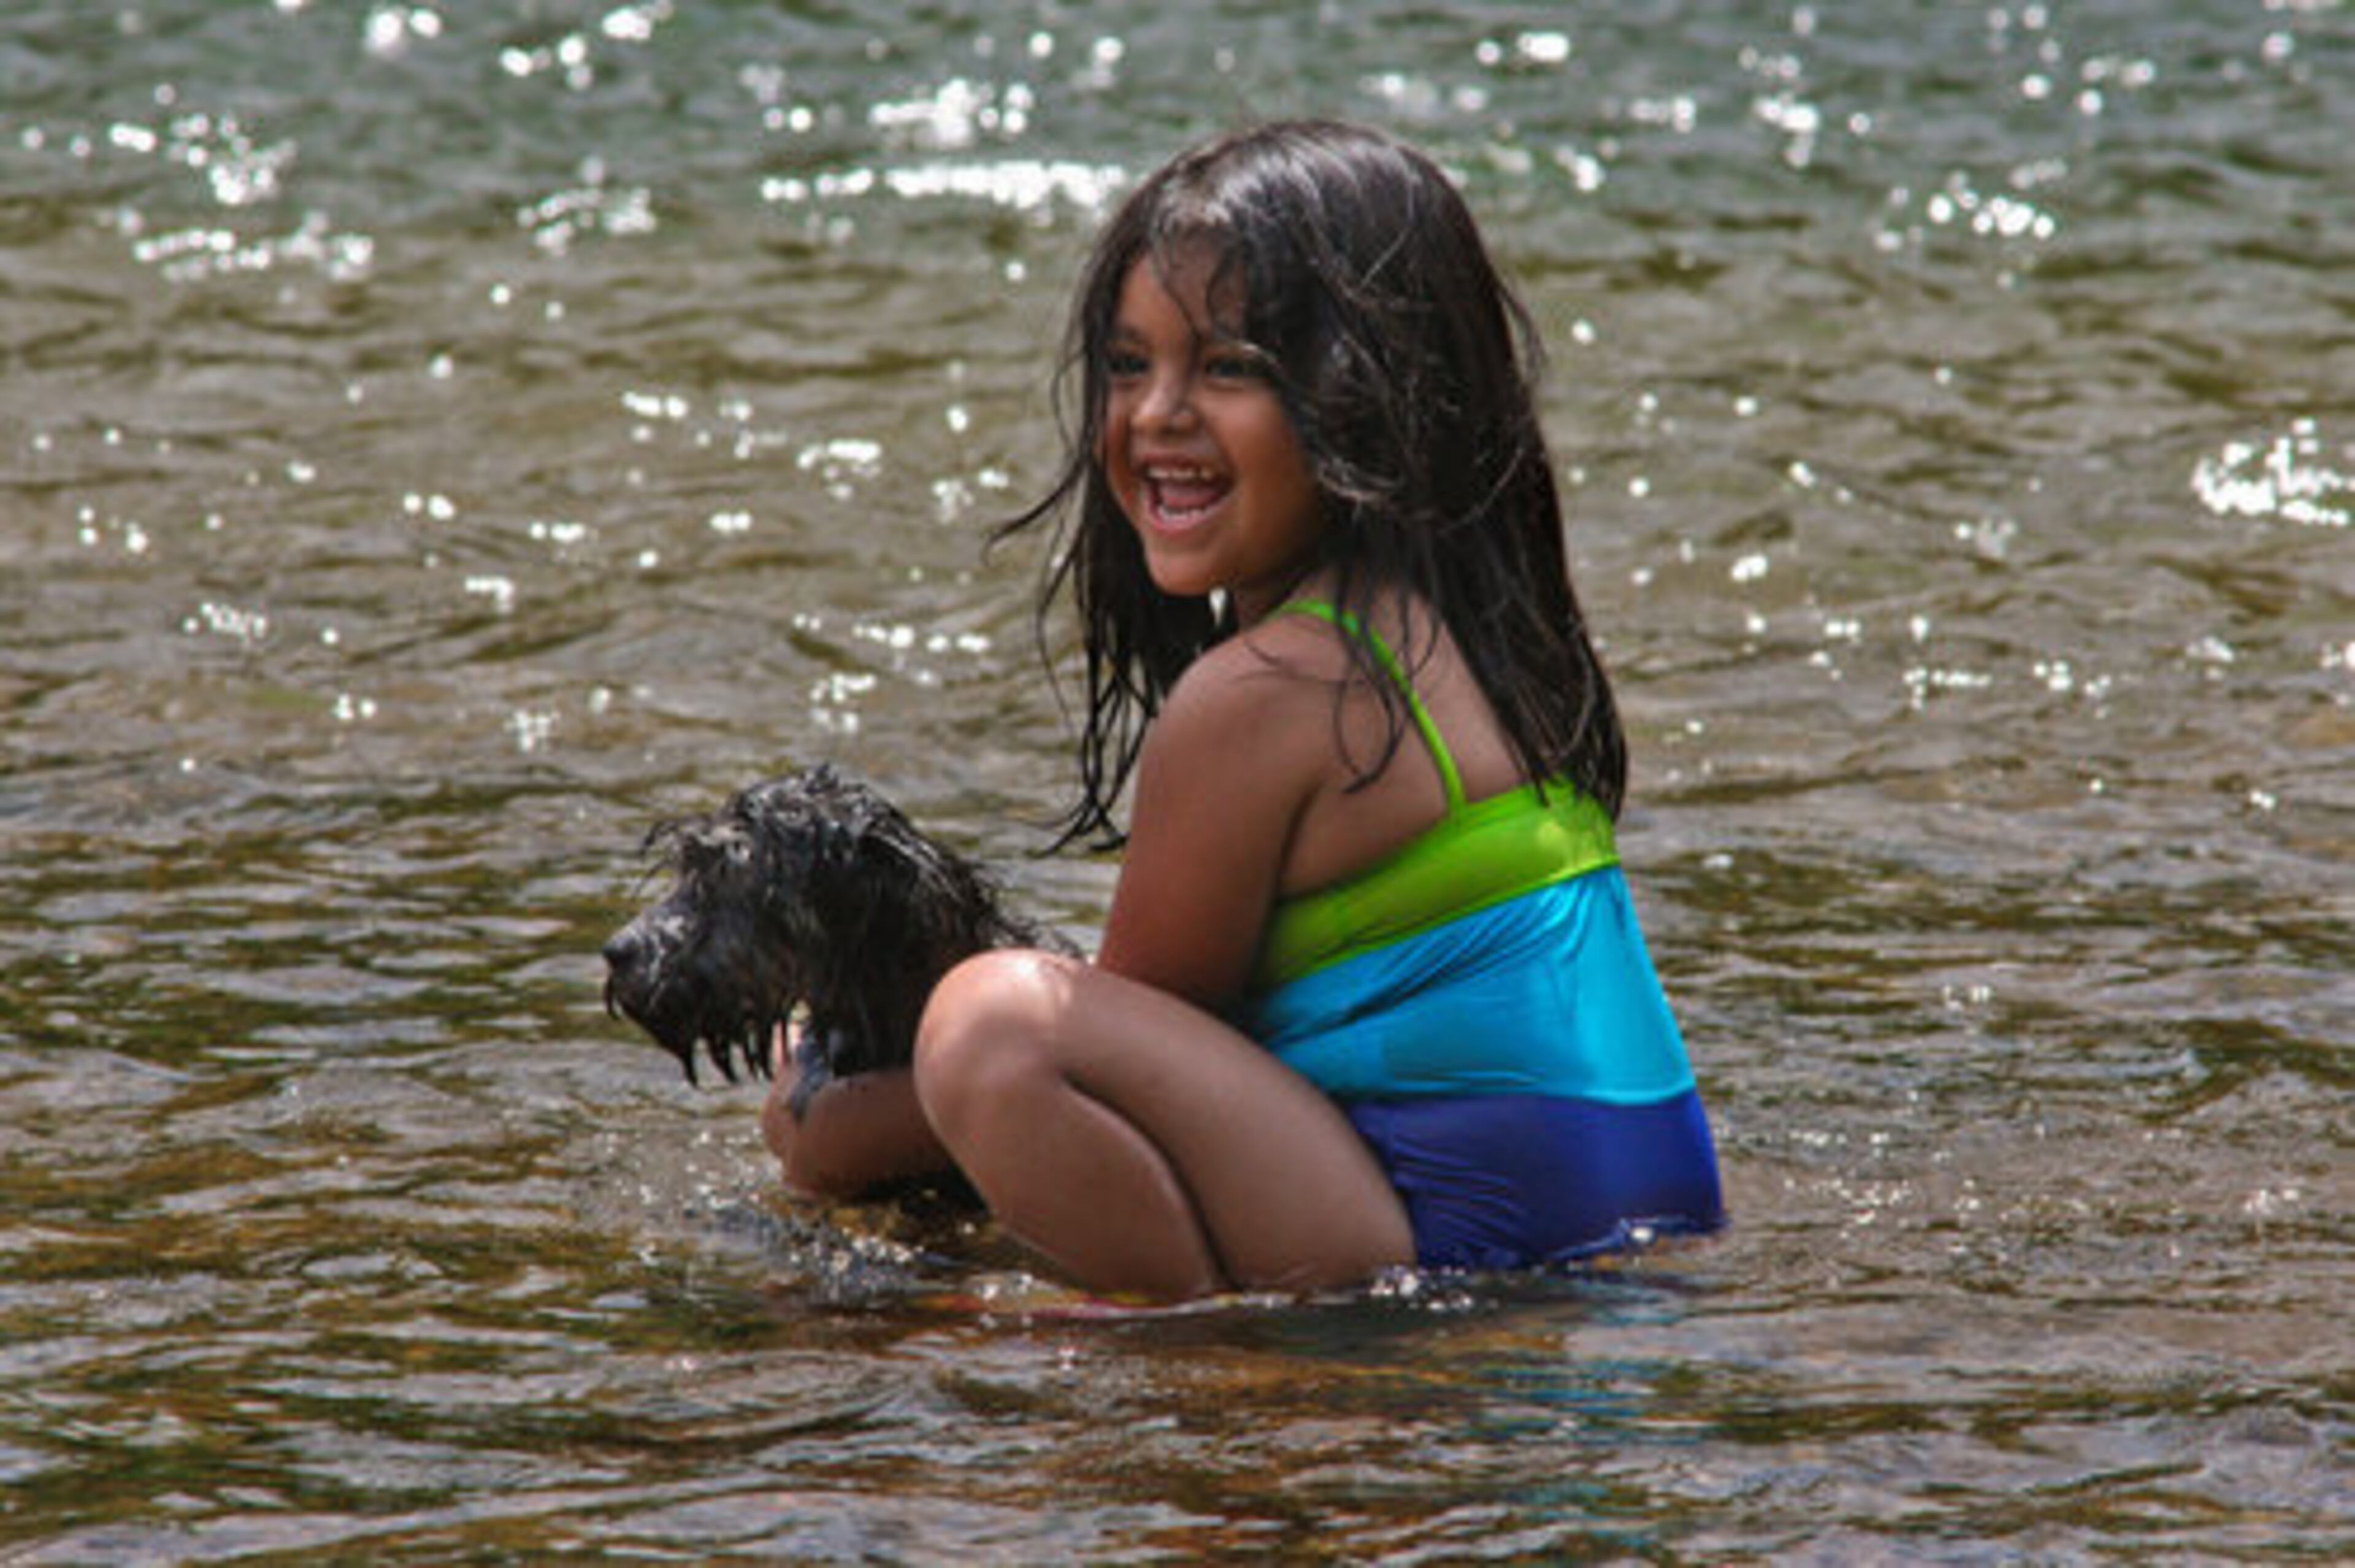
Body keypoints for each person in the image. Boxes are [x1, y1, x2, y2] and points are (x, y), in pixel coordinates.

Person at [762, 120, 1725, 1301]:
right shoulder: (1467, 631)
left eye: (1229, 367)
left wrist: (829, 1120)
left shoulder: (1272, 692)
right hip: (1630, 1229)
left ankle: (1203, 1375)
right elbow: (1176, 1029)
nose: (1158, 414)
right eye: (1128, 365)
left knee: (993, 1024)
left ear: (1378, 397)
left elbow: (1096, 1058)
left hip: (1470, 1239)